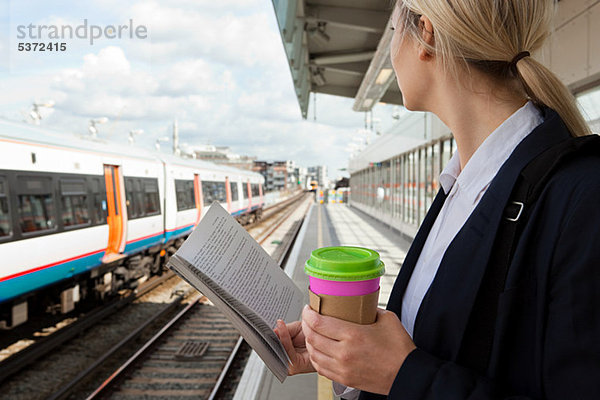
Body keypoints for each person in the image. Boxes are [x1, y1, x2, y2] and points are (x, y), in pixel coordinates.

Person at [274, 0, 600, 398]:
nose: (393, 55)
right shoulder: (458, 185)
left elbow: (415, 371)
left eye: (394, 33)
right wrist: (350, 357)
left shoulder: (584, 198)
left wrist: (403, 375)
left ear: (425, 34)